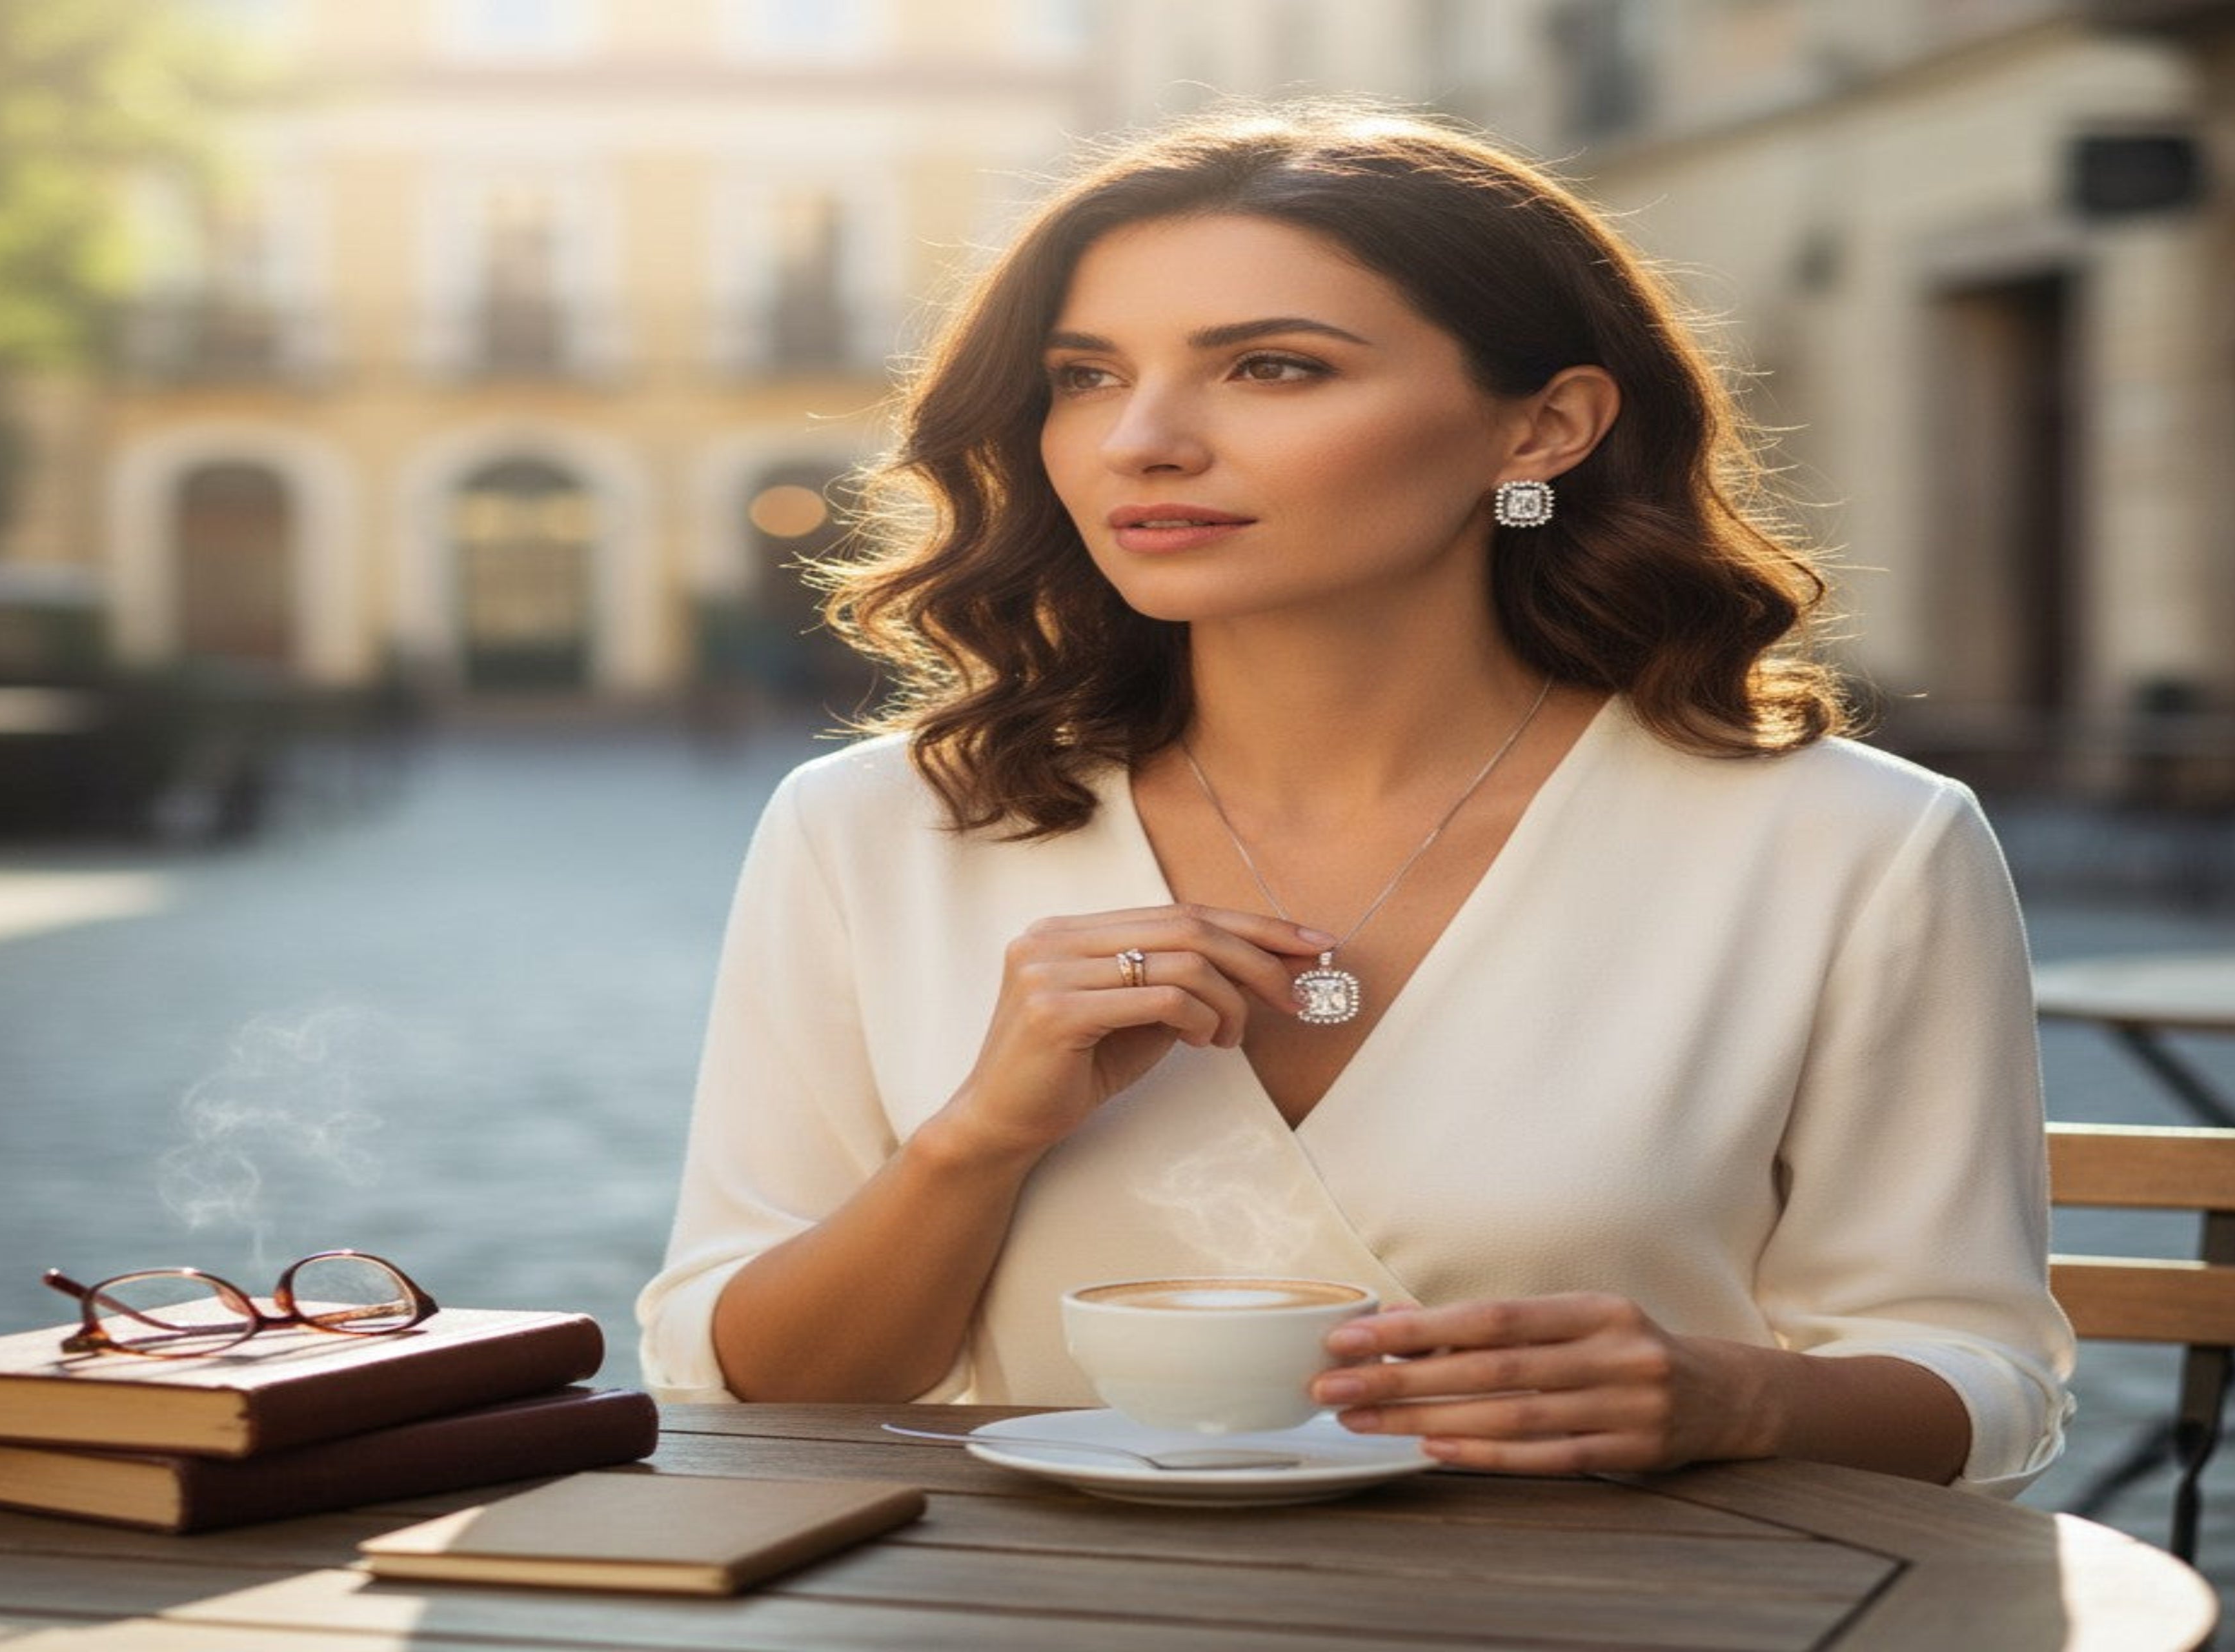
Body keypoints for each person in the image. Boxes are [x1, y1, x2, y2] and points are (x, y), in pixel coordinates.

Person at [638, 100, 2073, 1495]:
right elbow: (751, 1391)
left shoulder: (1852, 847)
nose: (1142, 439)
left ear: (1542, 429)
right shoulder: (879, 830)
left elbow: (1982, 1378)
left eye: (1272, 367)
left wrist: (1741, 1395)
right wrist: (977, 1136)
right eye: (1084, 375)